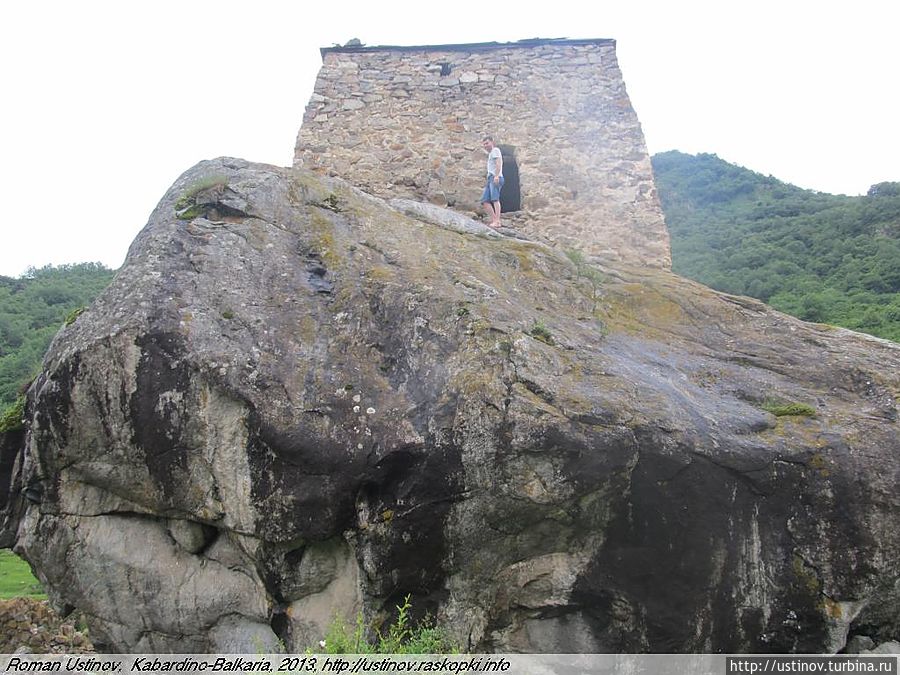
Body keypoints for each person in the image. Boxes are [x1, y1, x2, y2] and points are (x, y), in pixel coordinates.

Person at [480, 136, 504, 228]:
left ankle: (497, 221)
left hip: (495, 177)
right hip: (491, 178)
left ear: (492, 142)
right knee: (485, 201)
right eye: (484, 144)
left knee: (495, 199)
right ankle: (494, 220)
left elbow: (498, 163)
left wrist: (497, 175)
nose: (485, 145)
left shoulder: (495, 150)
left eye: (487, 143)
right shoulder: (491, 153)